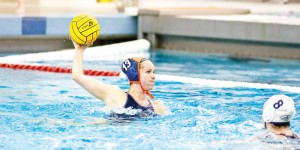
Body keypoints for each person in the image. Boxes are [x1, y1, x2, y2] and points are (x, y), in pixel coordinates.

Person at [71, 41, 167, 118]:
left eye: (153, 72)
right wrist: (80, 50)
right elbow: (77, 76)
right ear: (135, 74)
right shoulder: (115, 94)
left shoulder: (158, 107)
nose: (153, 76)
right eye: (148, 72)